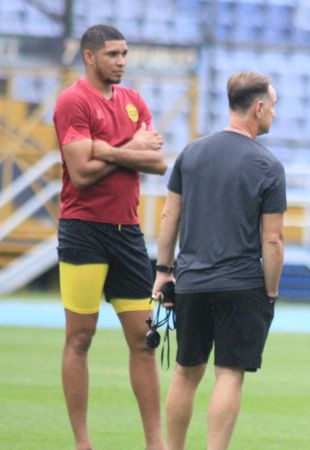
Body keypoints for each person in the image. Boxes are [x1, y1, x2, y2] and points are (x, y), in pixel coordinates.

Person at [152, 71, 285, 450]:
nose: (275, 113)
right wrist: (270, 291)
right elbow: (273, 239)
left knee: (185, 372)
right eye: (273, 106)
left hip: (192, 282)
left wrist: (163, 272)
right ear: (258, 108)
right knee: (229, 374)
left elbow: (168, 217)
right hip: (242, 285)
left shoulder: (191, 153)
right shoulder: (268, 166)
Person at [53, 24, 168, 450]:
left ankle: (155, 443)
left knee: (143, 339)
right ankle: (83, 443)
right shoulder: (72, 101)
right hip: (83, 231)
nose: (122, 61)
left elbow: (156, 162)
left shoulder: (134, 101)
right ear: (90, 56)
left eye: (124, 54)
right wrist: (127, 147)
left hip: (128, 233)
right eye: (113, 54)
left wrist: (104, 147)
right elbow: (80, 175)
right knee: (80, 337)